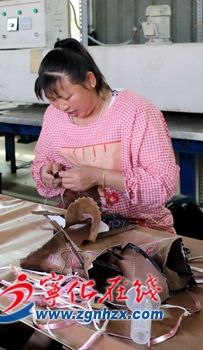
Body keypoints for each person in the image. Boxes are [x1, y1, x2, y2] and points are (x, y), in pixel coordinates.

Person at [31, 38, 179, 233]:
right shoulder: (54, 115)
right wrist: (46, 173)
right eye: (53, 100)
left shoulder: (136, 111)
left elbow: (164, 183)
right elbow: (41, 161)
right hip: (81, 226)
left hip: (139, 228)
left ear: (90, 80)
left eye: (67, 97)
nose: (62, 106)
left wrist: (98, 177)